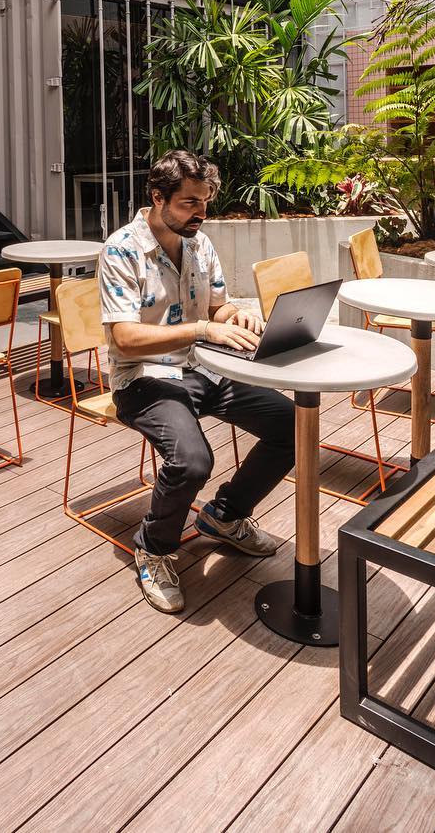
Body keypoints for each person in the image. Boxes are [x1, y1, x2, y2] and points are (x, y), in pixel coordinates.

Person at [99, 149, 295, 614]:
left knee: (291, 423)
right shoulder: (122, 249)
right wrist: (204, 329)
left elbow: (215, 309)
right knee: (191, 461)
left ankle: (224, 516)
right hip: (143, 379)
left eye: (205, 203)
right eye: (189, 203)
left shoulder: (199, 243)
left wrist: (237, 315)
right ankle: (154, 547)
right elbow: (124, 340)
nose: (200, 214)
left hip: (204, 368)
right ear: (157, 197)